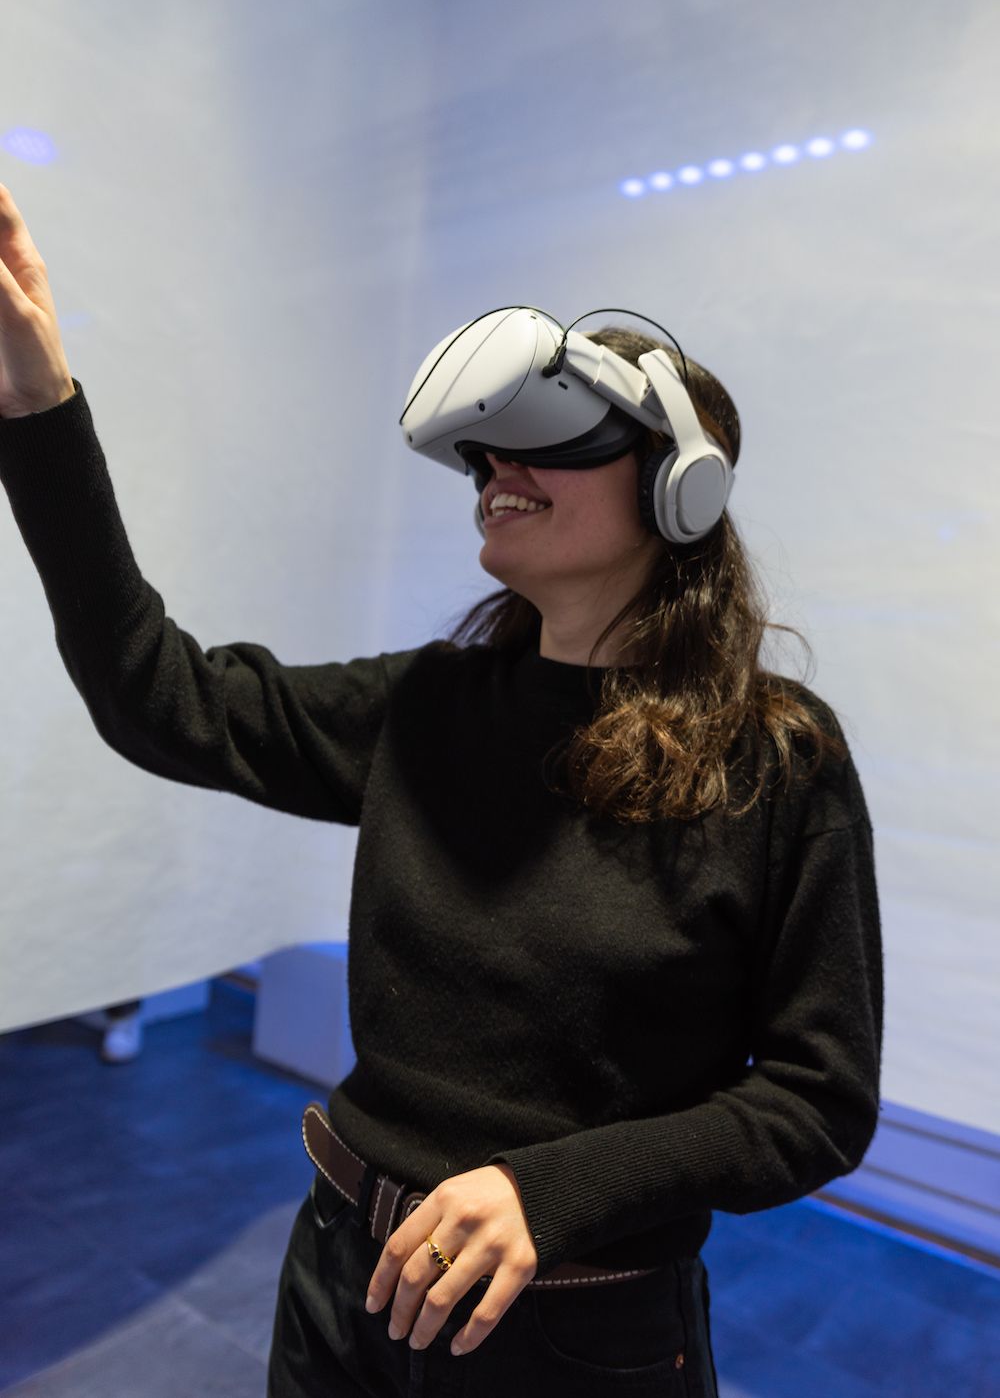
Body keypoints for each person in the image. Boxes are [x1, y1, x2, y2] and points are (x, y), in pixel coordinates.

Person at [0, 183, 883, 1398]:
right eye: (484, 449)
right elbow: (156, 693)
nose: (495, 469)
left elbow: (815, 1100)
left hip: (570, 1328)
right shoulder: (428, 706)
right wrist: (37, 406)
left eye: (553, 440)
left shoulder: (776, 761)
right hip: (342, 1276)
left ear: (682, 488)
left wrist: (550, 1191)